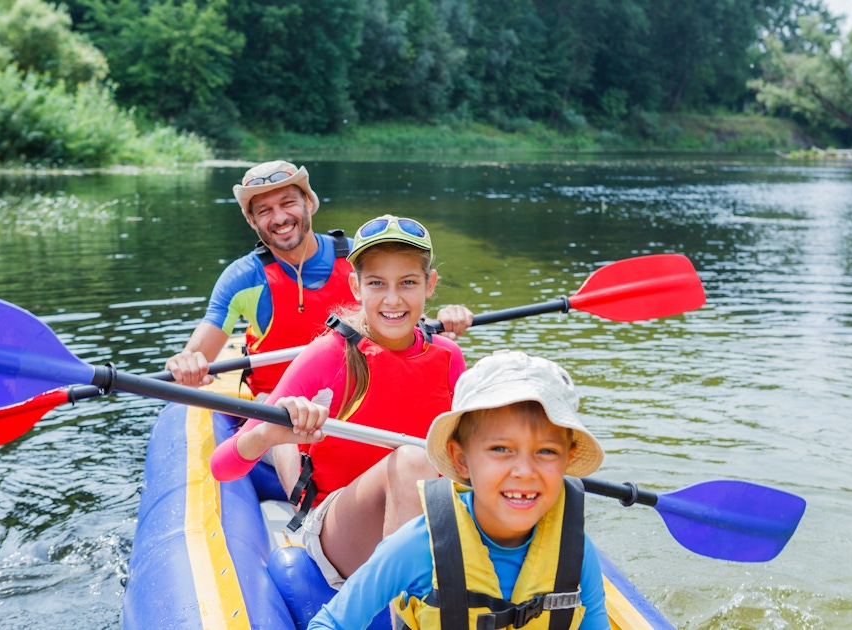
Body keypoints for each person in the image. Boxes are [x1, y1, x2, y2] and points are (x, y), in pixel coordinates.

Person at [210, 215, 467, 586]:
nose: (392, 299)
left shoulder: (448, 356)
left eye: (408, 283)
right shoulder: (327, 356)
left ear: (429, 284)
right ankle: (410, 614)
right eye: (376, 283)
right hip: (339, 526)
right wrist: (267, 434)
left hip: (425, 513)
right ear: (355, 285)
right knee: (412, 461)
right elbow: (222, 467)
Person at [307, 350, 611, 630]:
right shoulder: (418, 545)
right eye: (501, 448)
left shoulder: (574, 550)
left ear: (567, 460)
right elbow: (329, 624)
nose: (524, 471)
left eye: (546, 452)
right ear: (461, 460)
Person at [164, 161, 472, 392]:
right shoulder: (242, 278)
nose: (280, 218)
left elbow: (407, 308)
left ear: (308, 203)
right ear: (252, 220)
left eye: (288, 203)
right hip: (279, 406)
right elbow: (197, 355)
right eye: (265, 210)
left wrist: (445, 320)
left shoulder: (360, 257)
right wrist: (186, 362)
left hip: (360, 393)